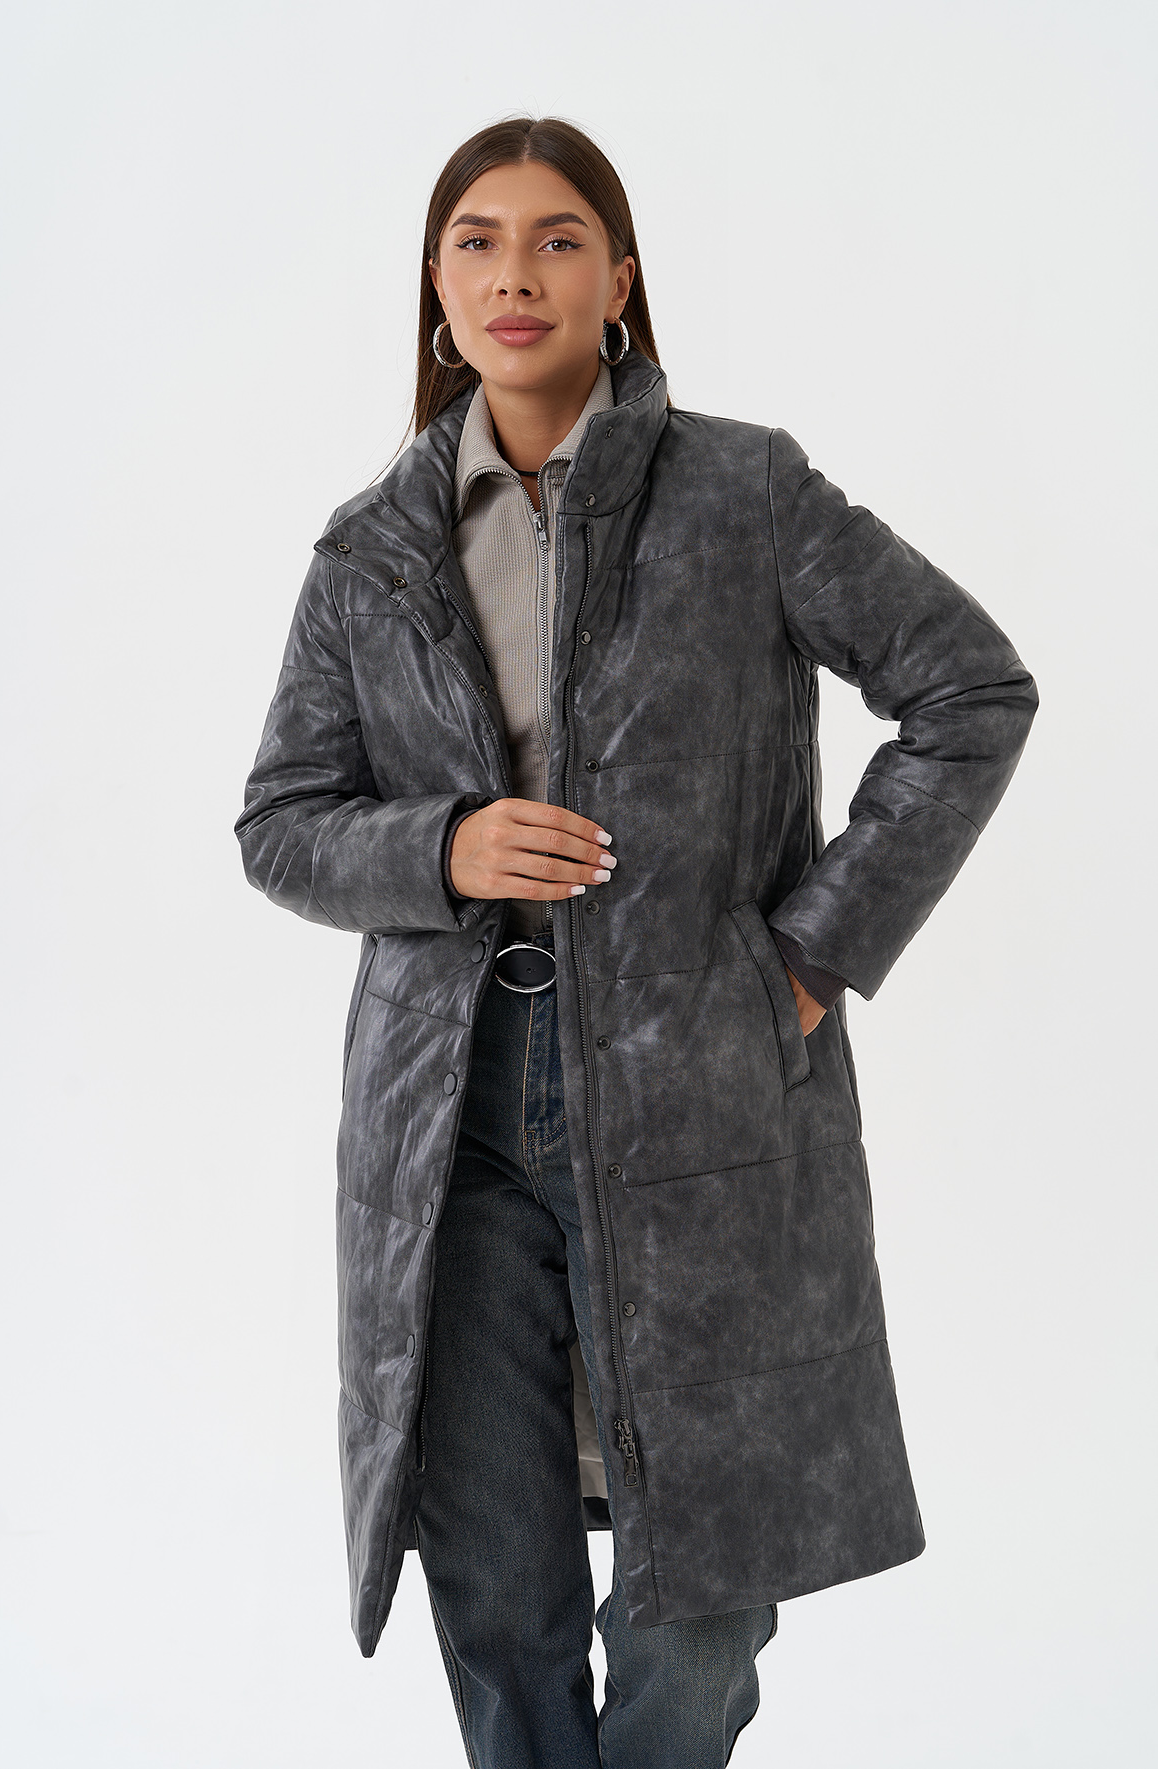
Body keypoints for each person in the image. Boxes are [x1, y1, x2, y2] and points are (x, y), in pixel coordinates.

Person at [235, 115, 1038, 1768]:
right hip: (447, 1113)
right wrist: (439, 846)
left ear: (619, 279)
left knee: (702, 1588)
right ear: (436, 286)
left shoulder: (746, 491)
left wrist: (806, 955)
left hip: (700, 1089)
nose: (514, 273)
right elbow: (282, 820)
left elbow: (969, 691)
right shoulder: (369, 547)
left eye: (556, 238)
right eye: (476, 241)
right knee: (494, 1574)